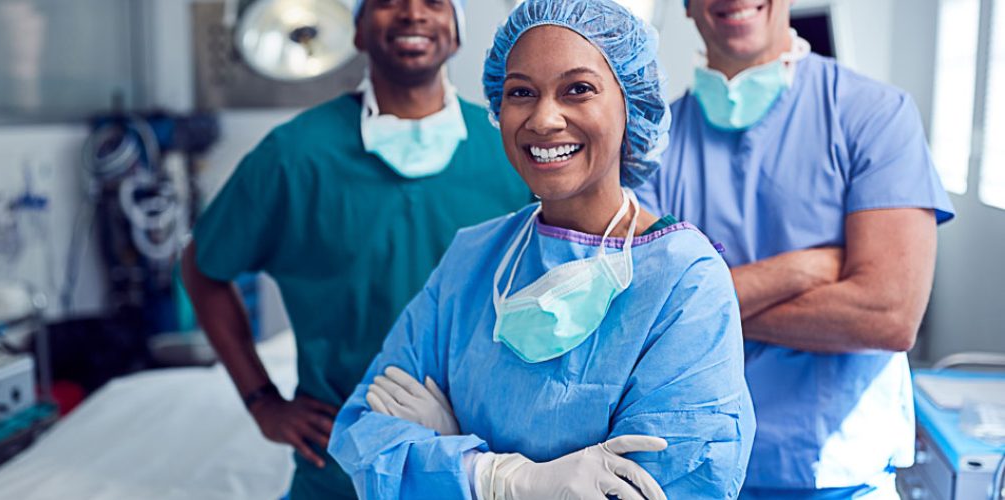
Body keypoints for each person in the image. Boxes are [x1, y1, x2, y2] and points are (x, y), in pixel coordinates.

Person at [328, 1, 755, 498]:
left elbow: (666, 486)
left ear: (630, 103)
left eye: (578, 89)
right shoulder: (474, 259)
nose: (544, 118)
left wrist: (449, 459)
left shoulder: (683, 279)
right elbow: (364, 430)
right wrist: (497, 479)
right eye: (521, 92)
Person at [179, 0, 529, 497]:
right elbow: (202, 265)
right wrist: (262, 401)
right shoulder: (296, 155)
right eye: (388, 1)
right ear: (358, 30)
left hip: (481, 466)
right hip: (340, 473)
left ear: (457, 32)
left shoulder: (509, 150)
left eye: (434, 1)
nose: (412, 13)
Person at [634, 0, 956, 497]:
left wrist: (699, 306)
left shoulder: (874, 115)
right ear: (686, 5)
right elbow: (641, 316)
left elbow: (889, 315)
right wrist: (804, 269)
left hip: (841, 475)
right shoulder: (650, 149)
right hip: (694, 471)